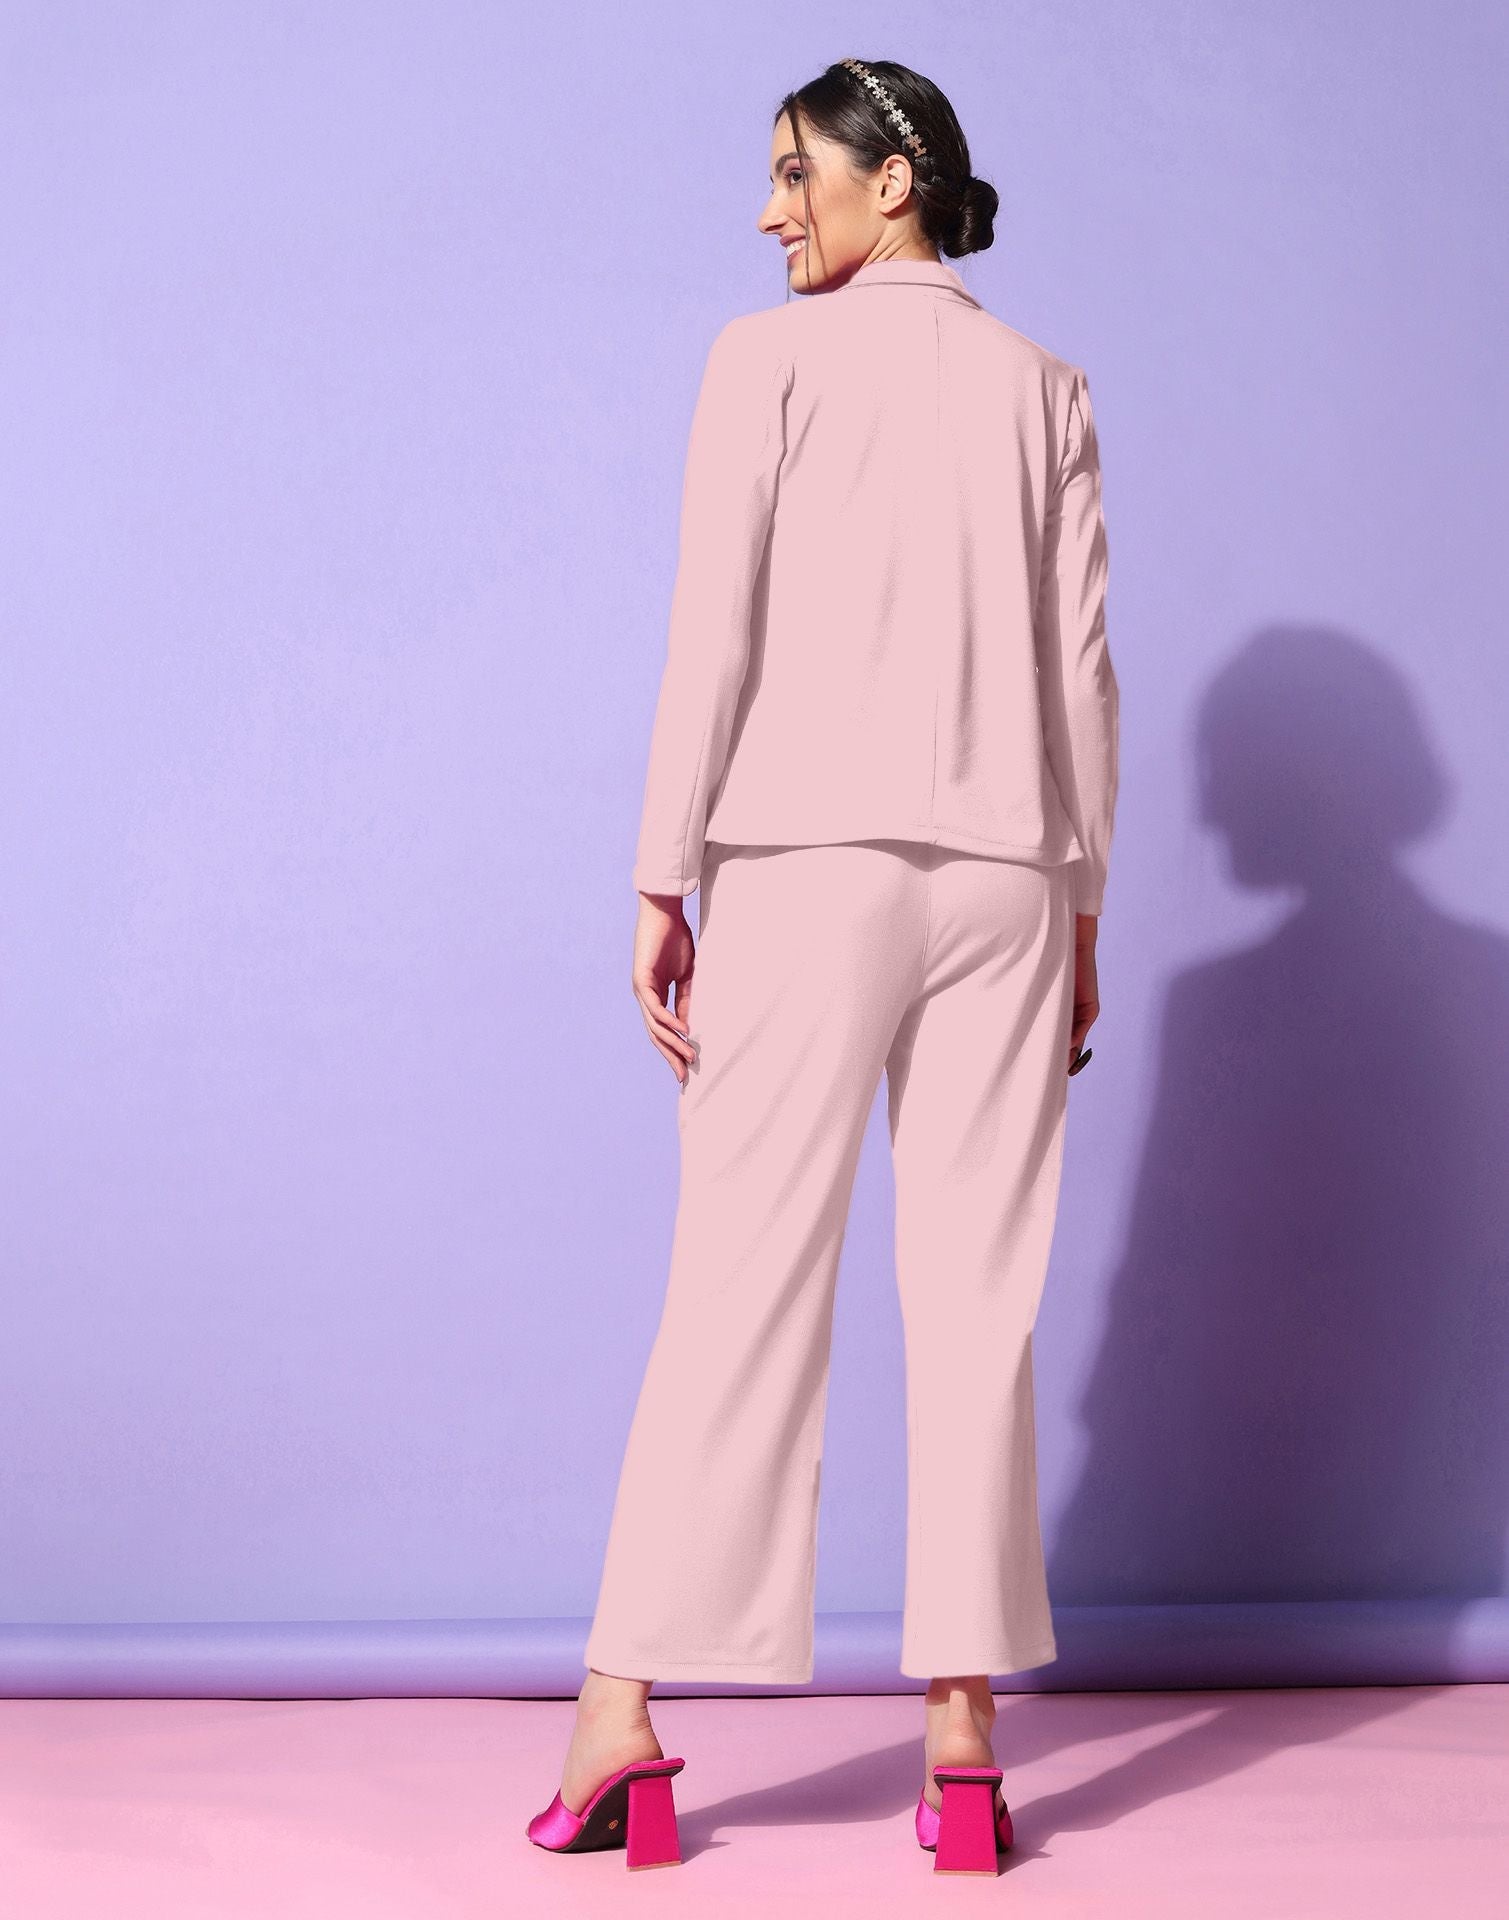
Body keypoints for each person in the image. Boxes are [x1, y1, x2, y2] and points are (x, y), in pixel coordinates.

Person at [527, 55, 1119, 1873]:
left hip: (801, 863)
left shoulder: (763, 362)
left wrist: (659, 875)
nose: (770, 209)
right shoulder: (1045, 386)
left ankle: (622, 1712)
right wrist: (1081, 910)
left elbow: (710, 631)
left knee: (741, 1280)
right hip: (1008, 876)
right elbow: (1080, 673)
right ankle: (962, 1740)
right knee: (978, 1299)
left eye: (797, 173)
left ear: (893, 180)